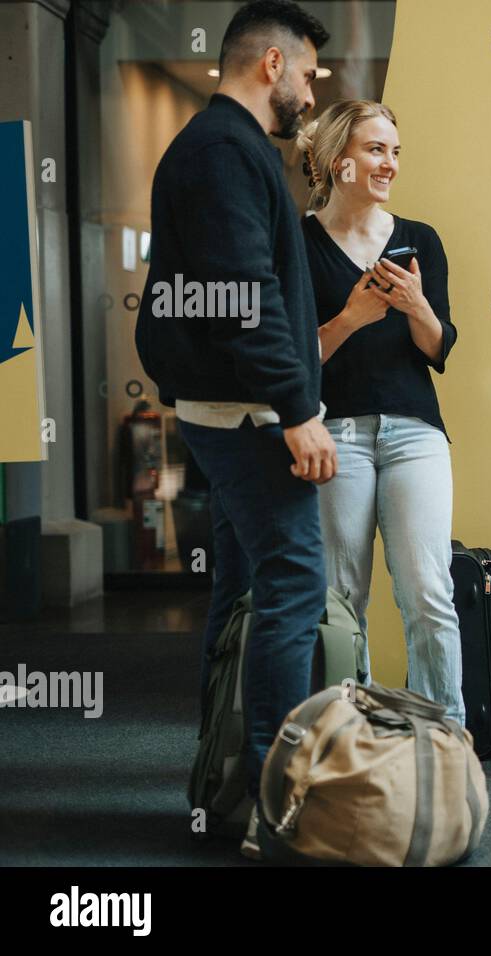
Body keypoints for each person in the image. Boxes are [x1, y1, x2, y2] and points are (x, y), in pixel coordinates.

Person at [133, 0, 332, 860]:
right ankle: (271, 801)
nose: (315, 89)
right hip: (249, 416)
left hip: (235, 410)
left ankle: (222, 785)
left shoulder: (227, 148)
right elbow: (244, 302)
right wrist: (298, 412)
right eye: (311, 71)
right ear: (272, 66)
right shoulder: (222, 151)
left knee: (244, 588)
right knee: (294, 587)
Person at [296, 100, 464, 724]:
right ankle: (351, 737)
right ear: (339, 162)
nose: (389, 163)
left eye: (394, 151)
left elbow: (439, 347)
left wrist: (418, 305)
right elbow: (295, 357)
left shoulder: (421, 240)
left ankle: (445, 737)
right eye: (375, 150)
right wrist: (351, 318)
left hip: (414, 432)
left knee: (428, 593)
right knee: (342, 598)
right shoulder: (299, 242)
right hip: (335, 432)